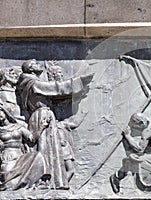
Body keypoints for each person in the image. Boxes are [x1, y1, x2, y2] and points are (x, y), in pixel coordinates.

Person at [16, 59, 94, 189]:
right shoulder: (33, 83)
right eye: (35, 63)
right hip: (43, 117)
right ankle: (44, 181)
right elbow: (56, 89)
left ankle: (52, 182)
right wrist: (78, 82)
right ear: (30, 68)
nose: (38, 64)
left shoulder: (29, 83)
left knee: (48, 148)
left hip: (40, 115)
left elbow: (55, 96)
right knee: (45, 148)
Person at [0, 106, 49, 190]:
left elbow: (32, 139)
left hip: (20, 157)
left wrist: (41, 127)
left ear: (5, 112)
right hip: (7, 158)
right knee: (9, 183)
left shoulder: (18, 127)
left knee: (39, 156)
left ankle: (42, 181)